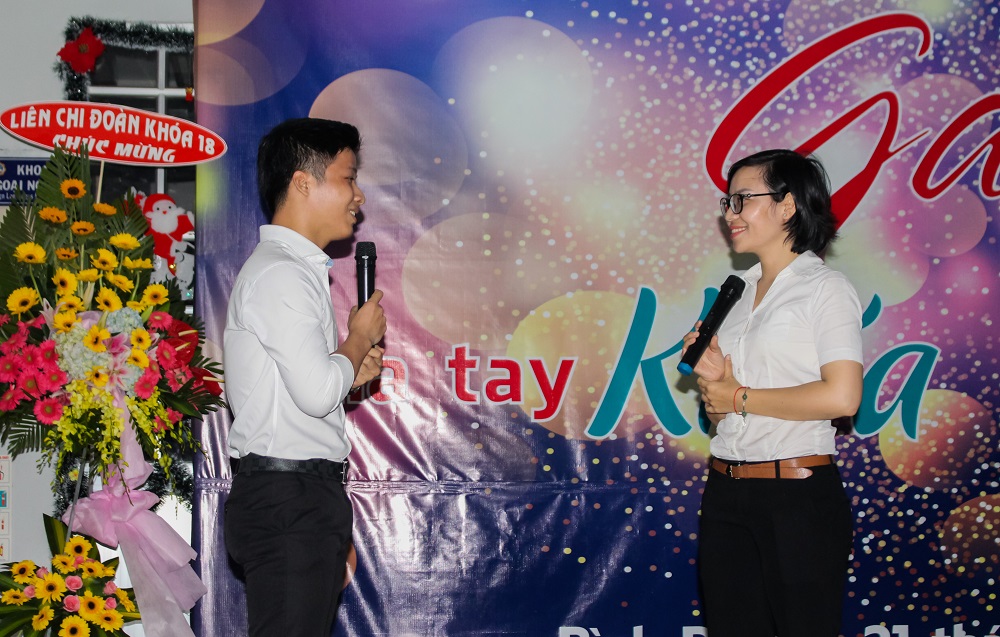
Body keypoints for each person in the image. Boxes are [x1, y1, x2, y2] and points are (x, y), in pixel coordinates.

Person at [681, 149, 863, 637]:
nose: (730, 213)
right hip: (725, 491)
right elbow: (723, 414)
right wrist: (716, 383)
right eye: (727, 202)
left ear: (787, 205)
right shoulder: (735, 292)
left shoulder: (825, 289)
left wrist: (739, 396)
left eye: (743, 199)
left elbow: (843, 398)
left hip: (797, 496)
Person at [223, 117, 386, 637]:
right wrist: (357, 339)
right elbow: (316, 394)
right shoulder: (282, 272)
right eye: (348, 178)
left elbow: (298, 392)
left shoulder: (293, 269)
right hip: (288, 498)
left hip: (298, 496)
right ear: (302, 182)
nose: (359, 195)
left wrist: (348, 367)